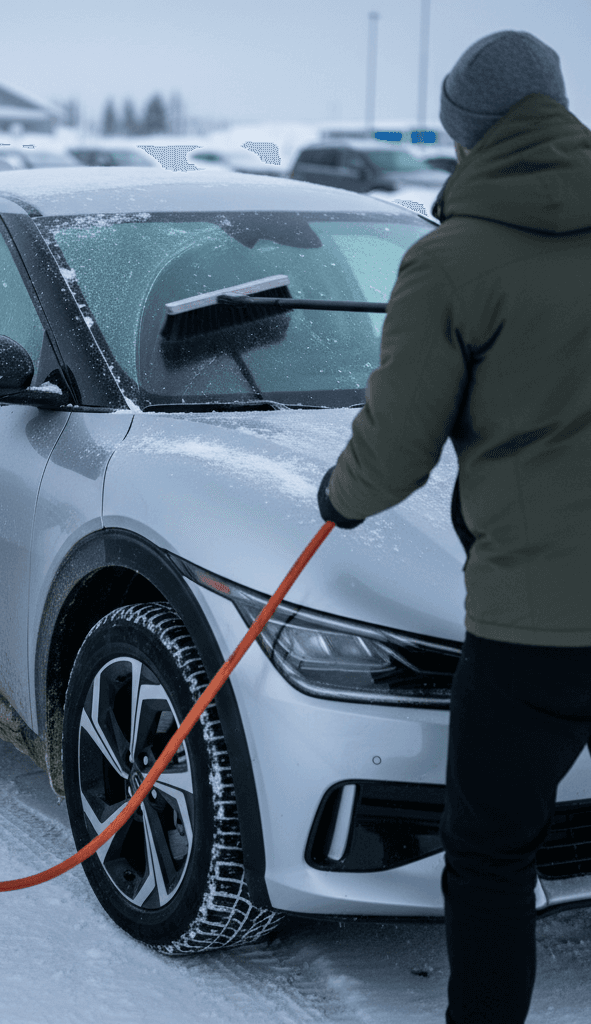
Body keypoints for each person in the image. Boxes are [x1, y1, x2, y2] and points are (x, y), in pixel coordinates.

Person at [315, 30, 591, 1024]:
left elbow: (395, 452)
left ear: (465, 136)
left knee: (487, 859)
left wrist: (338, 498)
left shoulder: (450, 259)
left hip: (531, 634)